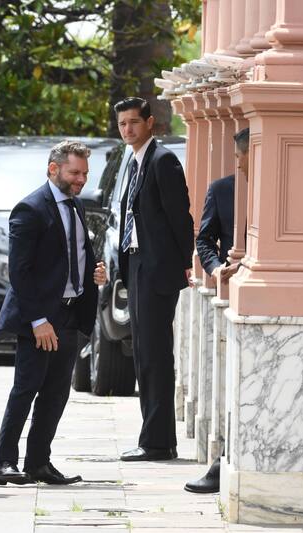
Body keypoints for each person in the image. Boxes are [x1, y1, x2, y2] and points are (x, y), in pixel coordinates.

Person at [0, 140, 107, 486]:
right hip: (39, 318)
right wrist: (38, 321)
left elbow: (73, 256)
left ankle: (39, 462)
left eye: (85, 174)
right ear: (53, 169)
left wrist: (93, 274)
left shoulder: (76, 206)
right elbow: (19, 272)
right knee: (26, 389)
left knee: (56, 394)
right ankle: (3, 463)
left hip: (69, 314)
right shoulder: (30, 209)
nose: (81, 180)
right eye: (75, 173)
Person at [115, 97, 194, 462]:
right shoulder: (133, 162)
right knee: (144, 354)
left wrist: (182, 265)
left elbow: (181, 217)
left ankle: (158, 442)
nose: (127, 129)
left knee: (155, 356)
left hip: (157, 270)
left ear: (149, 123)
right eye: (122, 124)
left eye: (133, 122)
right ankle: (155, 438)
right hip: (136, 265)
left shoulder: (163, 161)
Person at [185, 127, 249, 494]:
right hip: (228, 296)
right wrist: (214, 268)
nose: (238, 164)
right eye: (237, 158)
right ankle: (221, 462)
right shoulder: (222, 189)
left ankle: (224, 463)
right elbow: (204, 239)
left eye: (242, 158)